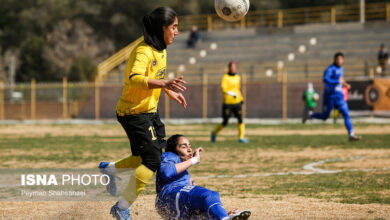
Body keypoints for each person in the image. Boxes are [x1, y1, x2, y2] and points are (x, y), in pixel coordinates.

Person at [98, 7, 188, 220]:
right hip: (133, 113)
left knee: (143, 158)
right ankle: (122, 207)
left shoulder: (161, 50)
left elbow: (155, 76)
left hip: (149, 112)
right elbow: (134, 78)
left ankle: (110, 170)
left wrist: (167, 90)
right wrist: (164, 83)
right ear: (161, 28)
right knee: (152, 161)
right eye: (173, 27)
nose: (177, 32)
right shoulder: (143, 51)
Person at [155, 134, 251, 220]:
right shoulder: (170, 155)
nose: (189, 149)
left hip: (170, 203)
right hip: (168, 197)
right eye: (184, 146)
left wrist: (221, 212)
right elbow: (166, 172)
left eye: (190, 146)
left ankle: (225, 216)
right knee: (210, 195)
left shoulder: (184, 172)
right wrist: (194, 160)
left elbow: (195, 192)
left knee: (207, 214)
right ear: (174, 150)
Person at [307, 52, 360, 141]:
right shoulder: (330, 69)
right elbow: (325, 79)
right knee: (325, 116)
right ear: (335, 59)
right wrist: (337, 81)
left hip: (339, 96)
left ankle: (351, 134)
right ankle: (310, 115)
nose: (339, 61)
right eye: (338, 59)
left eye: (341, 59)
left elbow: (340, 81)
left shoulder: (341, 69)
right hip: (330, 96)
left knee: (346, 114)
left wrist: (345, 84)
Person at [211, 61, 248, 144]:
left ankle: (241, 137)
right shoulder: (225, 77)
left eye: (235, 67)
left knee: (240, 119)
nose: (233, 68)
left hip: (237, 102)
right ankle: (214, 133)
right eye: (232, 67)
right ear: (229, 68)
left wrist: (241, 98)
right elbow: (223, 88)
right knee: (225, 121)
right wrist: (231, 94)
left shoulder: (238, 77)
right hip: (227, 102)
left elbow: (238, 89)